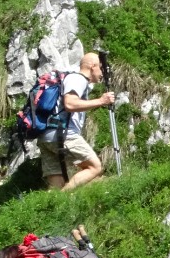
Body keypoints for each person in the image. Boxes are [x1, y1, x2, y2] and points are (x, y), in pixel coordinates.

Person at [38, 52, 115, 191]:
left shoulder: (70, 79)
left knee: (56, 183)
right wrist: (101, 101)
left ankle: (52, 207)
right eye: (101, 68)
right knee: (95, 167)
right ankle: (64, 196)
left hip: (46, 136)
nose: (102, 73)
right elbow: (70, 104)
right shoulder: (78, 79)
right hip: (64, 134)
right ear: (92, 66)